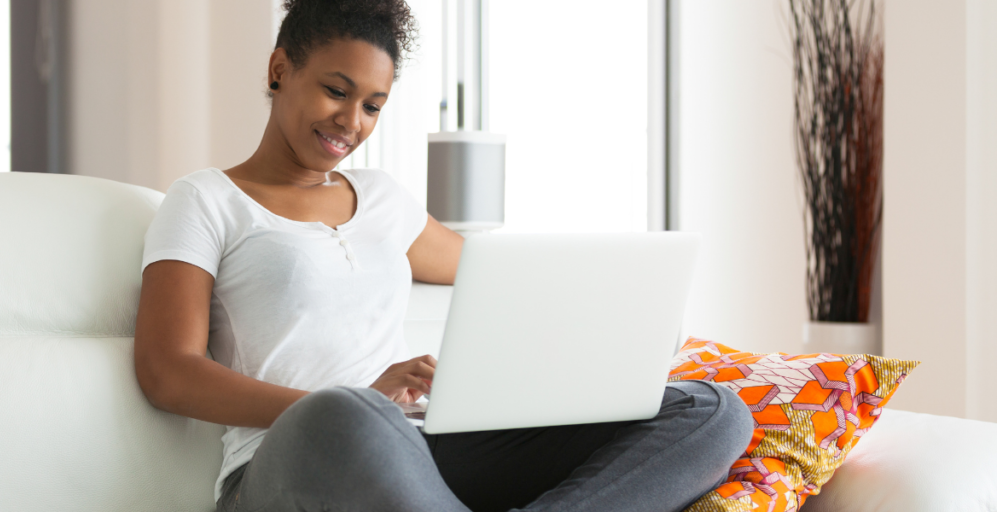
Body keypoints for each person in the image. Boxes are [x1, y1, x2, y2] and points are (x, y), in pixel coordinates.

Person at [133, 1, 754, 510]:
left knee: (713, 411)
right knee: (346, 418)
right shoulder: (206, 199)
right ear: (279, 68)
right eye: (336, 91)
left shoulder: (383, 200)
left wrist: (617, 321)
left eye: (373, 105)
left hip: (416, 449)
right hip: (295, 458)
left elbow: (503, 283)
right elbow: (167, 369)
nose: (352, 121)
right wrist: (354, 401)